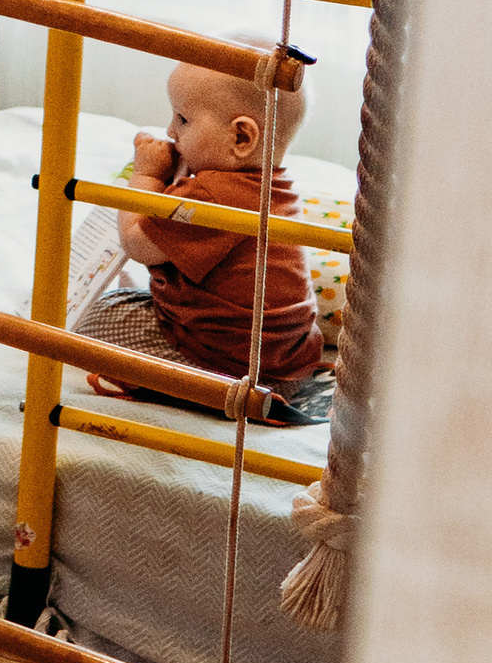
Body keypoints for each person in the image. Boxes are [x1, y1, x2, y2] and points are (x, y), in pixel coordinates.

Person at [73, 59, 333, 422]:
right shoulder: (273, 187)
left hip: (230, 361)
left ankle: (193, 389)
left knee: (93, 320)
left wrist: (146, 176)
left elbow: (135, 241)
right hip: (288, 357)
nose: (170, 131)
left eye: (183, 119)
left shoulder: (212, 196)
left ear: (241, 138)